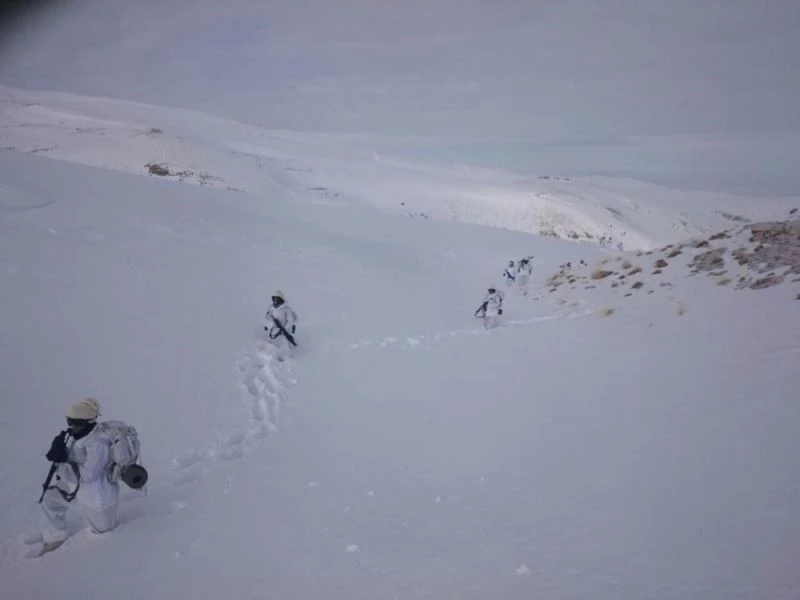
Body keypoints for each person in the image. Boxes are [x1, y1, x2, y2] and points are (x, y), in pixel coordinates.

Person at [37, 398, 119, 556]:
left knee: (103, 535)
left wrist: (62, 462)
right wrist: (58, 450)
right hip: (77, 491)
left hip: (97, 500)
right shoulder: (79, 435)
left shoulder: (99, 444)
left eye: (77, 423)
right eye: (70, 421)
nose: (72, 426)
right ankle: (56, 537)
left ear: (89, 422)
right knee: (49, 498)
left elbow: (88, 476)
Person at [264, 290, 298, 360]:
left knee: (285, 346)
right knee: (272, 345)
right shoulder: (271, 308)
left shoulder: (286, 309)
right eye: (274, 298)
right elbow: (268, 318)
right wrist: (268, 325)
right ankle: (272, 358)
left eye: (277, 299)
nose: (275, 301)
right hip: (275, 330)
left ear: (280, 299)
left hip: (284, 331)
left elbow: (290, 320)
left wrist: (285, 329)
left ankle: (287, 360)